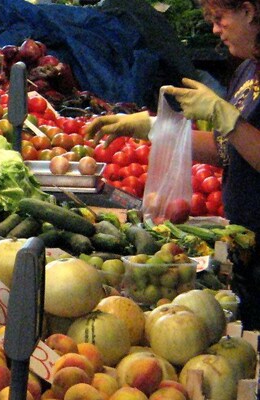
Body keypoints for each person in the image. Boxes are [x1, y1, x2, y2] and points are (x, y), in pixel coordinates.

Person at [87, 0, 260, 331]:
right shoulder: (247, 70)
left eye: (220, 18)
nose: (214, 29)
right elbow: (229, 151)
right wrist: (153, 128)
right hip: (247, 247)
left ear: (250, 11)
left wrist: (228, 119)